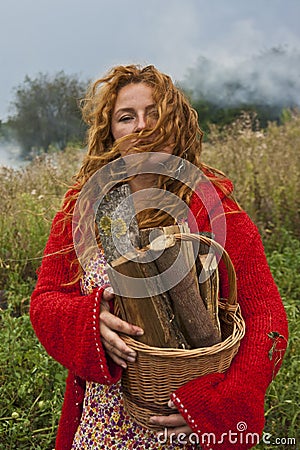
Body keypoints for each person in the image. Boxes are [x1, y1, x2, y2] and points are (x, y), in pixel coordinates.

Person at [30, 64, 288, 450]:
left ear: (176, 123)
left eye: (154, 113)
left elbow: (269, 318)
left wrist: (220, 409)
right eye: (126, 117)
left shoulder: (214, 208)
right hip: (103, 426)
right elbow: (45, 301)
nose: (141, 127)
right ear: (111, 132)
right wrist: (88, 320)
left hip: (185, 425)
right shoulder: (80, 210)